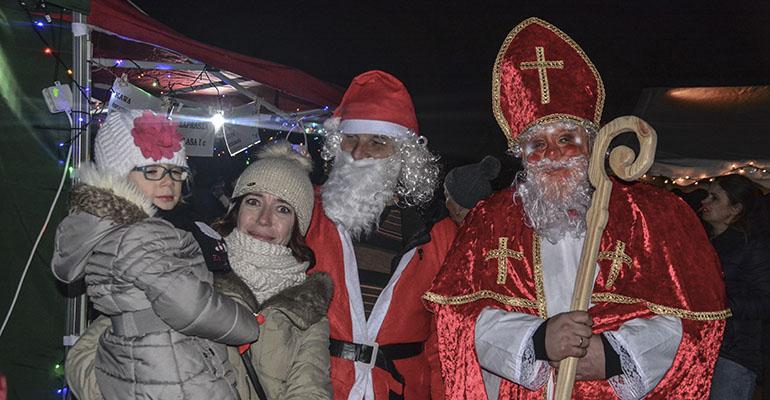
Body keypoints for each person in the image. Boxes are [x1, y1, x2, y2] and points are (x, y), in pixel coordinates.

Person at [424, 18, 729, 399]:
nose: (552, 154)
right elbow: (458, 318)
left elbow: (694, 319)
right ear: (521, 154)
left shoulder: (654, 216)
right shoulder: (491, 219)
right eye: (537, 144)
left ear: (591, 142)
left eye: (566, 138)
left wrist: (615, 355)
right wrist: (537, 340)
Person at [51, 109, 261, 399]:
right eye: (151, 171)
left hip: (144, 367)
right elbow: (188, 304)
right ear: (117, 174)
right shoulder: (140, 236)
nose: (167, 182)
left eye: (175, 171)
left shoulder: (111, 230)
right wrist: (246, 324)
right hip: (171, 372)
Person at [308, 70, 457, 399]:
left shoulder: (436, 232)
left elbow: (445, 339)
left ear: (403, 155)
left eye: (377, 142)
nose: (359, 153)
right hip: (319, 386)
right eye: (351, 139)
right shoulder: (307, 214)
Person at [700, 174, 770, 400]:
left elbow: (764, 301)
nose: (704, 201)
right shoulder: (702, 241)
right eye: (707, 195)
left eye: (714, 198)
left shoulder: (752, 245)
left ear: (735, 208)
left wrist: (719, 305)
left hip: (734, 352)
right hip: (702, 348)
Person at [443, 155, 501, 225]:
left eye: (446, 195)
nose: (445, 204)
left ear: (459, 209)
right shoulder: (490, 225)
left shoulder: (446, 228)